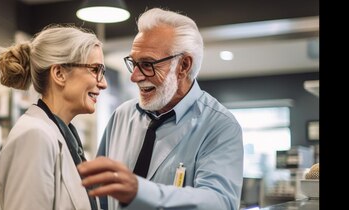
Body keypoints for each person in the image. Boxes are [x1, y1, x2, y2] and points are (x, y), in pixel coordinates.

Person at [77, 8, 244, 210]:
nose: (135, 76)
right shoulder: (121, 116)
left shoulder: (219, 126)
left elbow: (220, 203)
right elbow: (100, 196)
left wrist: (139, 190)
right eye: (134, 63)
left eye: (147, 64)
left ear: (183, 65)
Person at [0, 25, 107, 210]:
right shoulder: (35, 136)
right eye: (95, 69)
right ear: (59, 74)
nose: (103, 83)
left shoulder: (61, 135)